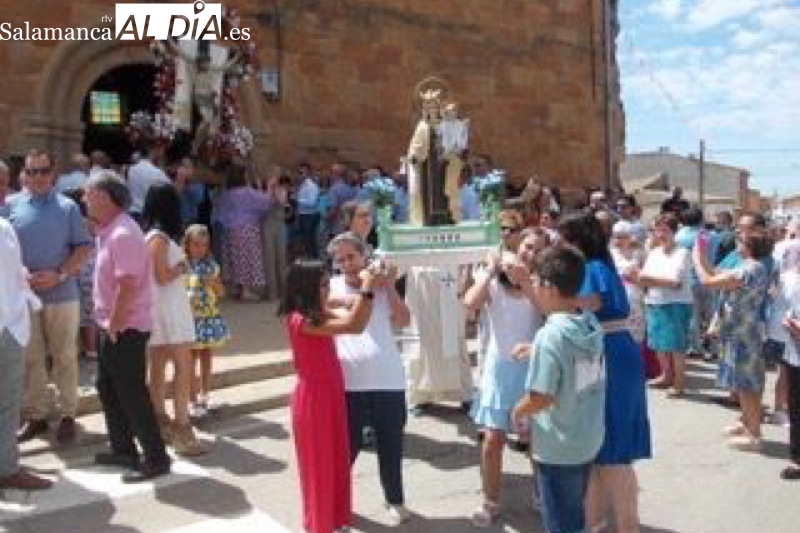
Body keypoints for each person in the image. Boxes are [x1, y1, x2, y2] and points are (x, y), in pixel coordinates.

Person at [558, 213, 651, 533]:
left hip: (609, 352)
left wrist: (547, 294)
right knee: (600, 452)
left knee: (612, 453)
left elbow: (586, 304)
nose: (560, 244)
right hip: (607, 350)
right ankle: (595, 523)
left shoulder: (592, 268)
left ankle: (628, 526)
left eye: (565, 238)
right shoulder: (599, 266)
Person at [279, 258, 378, 533]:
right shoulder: (301, 319)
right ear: (307, 288)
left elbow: (348, 311)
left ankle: (334, 522)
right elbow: (354, 326)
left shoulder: (316, 311)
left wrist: (362, 292)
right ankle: (319, 526)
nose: (327, 290)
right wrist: (367, 288)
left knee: (335, 463)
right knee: (319, 468)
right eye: (322, 286)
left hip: (331, 394)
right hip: (313, 400)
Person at [84, 171, 171, 483]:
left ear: (106, 198)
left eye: (88, 194)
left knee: (132, 393)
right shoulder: (107, 229)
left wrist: (115, 324)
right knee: (107, 387)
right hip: (113, 325)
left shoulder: (122, 233)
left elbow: (129, 283)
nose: (84, 199)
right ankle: (123, 448)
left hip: (125, 327)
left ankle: (156, 457)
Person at [512, 245, 606, 533]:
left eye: (537, 281)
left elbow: (542, 396)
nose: (534, 287)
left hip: (559, 445)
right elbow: (574, 362)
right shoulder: (588, 321)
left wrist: (517, 411)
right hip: (588, 436)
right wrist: (536, 350)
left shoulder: (550, 335)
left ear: (550, 288)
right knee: (573, 513)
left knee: (559, 522)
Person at [6, 149, 92, 445]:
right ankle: (37, 416)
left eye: (43, 171)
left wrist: (60, 274)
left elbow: (83, 247)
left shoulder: (68, 207)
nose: (38, 177)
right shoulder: (10, 206)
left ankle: (68, 414)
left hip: (62, 293)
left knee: (65, 356)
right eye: (32, 172)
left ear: (53, 174)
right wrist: (21, 275)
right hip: (25, 296)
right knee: (31, 359)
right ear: (24, 175)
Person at [328, 233, 412, 525]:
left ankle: (395, 500)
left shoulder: (382, 286)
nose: (348, 264)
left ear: (365, 256)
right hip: (349, 383)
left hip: (388, 379)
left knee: (391, 446)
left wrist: (388, 286)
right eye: (341, 259)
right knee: (344, 450)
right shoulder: (331, 288)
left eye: (352, 256)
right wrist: (366, 287)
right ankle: (335, 503)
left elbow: (403, 319)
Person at [465, 239, 543, 527]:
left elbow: (551, 312)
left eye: (536, 248)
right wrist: (489, 270)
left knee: (538, 440)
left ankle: (540, 494)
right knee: (492, 441)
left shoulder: (542, 282)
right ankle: (491, 500)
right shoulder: (494, 283)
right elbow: (470, 304)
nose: (529, 252)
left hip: (534, 370)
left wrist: (526, 282)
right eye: (526, 246)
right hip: (498, 371)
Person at [142, 183, 207, 457]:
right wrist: (181, 266)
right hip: (168, 307)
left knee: (158, 365)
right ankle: (182, 426)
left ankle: (160, 420)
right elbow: (161, 276)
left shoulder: (152, 236)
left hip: (160, 306)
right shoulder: (159, 238)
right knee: (183, 365)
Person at [693, 231, 773, 451]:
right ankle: (747, 422)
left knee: (748, 385)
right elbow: (716, 274)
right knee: (741, 382)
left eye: (741, 240)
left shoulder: (750, 269)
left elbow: (708, 281)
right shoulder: (748, 266)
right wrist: (702, 259)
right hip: (739, 332)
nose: (737, 242)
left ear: (749, 246)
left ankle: (753, 434)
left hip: (744, 334)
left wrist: (697, 258)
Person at [0, 216, 52, 490]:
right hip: (8, 323)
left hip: (10, 325)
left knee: (8, 402)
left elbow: (13, 272)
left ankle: (6, 468)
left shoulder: (5, 226)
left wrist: (28, 298)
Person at [639, 213, 694, 396]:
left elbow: (675, 282)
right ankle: (666, 375)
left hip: (676, 304)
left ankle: (679, 383)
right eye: (658, 230)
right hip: (655, 301)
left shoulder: (682, 253)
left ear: (674, 232)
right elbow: (644, 278)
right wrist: (651, 280)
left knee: (676, 346)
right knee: (658, 344)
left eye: (665, 230)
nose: (661, 234)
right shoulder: (654, 253)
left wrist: (649, 279)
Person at [183, 224, 229, 417]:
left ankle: (205, 395)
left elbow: (221, 292)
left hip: (209, 317)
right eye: (196, 244)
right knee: (191, 358)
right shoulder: (182, 266)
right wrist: (189, 293)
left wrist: (215, 284)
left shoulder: (212, 265)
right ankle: (192, 400)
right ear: (187, 245)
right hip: (191, 319)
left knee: (206, 357)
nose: (200, 249)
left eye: (204, 245)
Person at [212, 166, 273, 299]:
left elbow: (219, 209)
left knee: (234, 259)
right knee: (247, 259)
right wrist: (268, 186)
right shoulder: (247, 192)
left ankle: (237, 288)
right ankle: (246, 290)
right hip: (247, 229)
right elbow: (266, 202)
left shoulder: (227, 193)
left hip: (229, 230)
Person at [675, 207, 720, 358]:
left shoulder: (679, 236)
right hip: (708, 278)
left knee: (693, 316)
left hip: (688, 280)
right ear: (701, 219)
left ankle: (695, 347)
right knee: (711, 314)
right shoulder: (711, 235)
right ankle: (713, 348)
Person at [127, 142, 170, 223]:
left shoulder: (131, 169)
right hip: (147, 216)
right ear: (155, 150)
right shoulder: (158, 173)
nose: (163, 154)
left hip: (132, 214)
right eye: (161, 150)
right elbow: (169, 193)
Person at [295, 163, 321, 258]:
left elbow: (312, 202)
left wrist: (297, 200)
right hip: (303, 215)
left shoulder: (311, 186)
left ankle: (313, 261)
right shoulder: (302, 185)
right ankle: (309, 260)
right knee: (306, 240)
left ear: (308, 173)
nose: (300, 174)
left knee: (310, 241)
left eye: (302, 172)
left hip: (309, 216)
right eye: (299, 172)